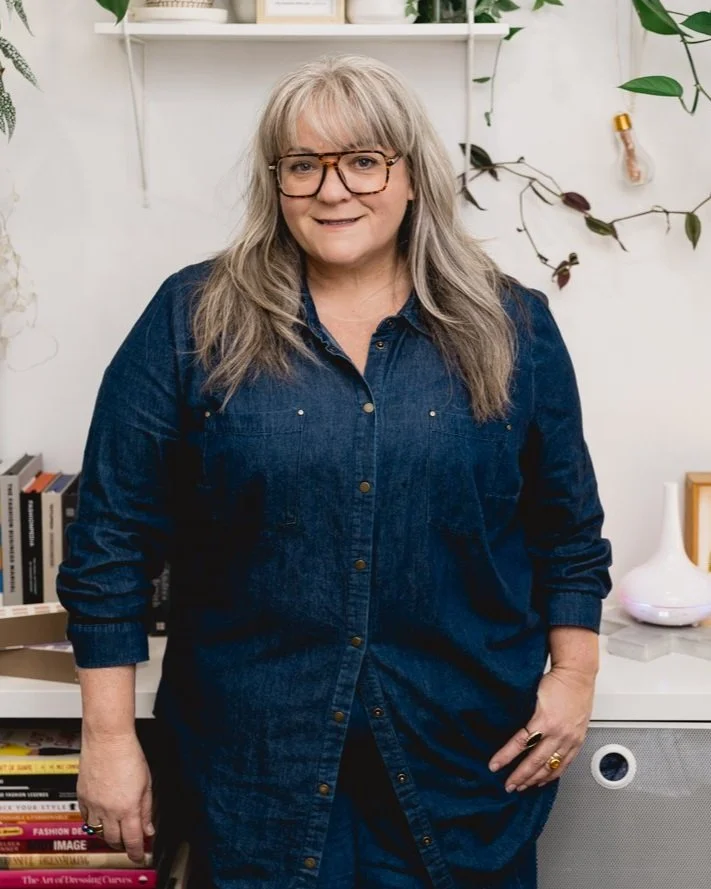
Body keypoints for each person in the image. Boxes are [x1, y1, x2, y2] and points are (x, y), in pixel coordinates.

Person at [57, 54, 612, 889]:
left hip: (463, 763)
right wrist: (107, 737)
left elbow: (565, 531)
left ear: (411, 175)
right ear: (275, 182)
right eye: (302, 165)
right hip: (251, 771)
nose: (331, 189)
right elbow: (110, 540)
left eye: (362, 160)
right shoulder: (191, 318)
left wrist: (573, 678)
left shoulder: (512, 325)